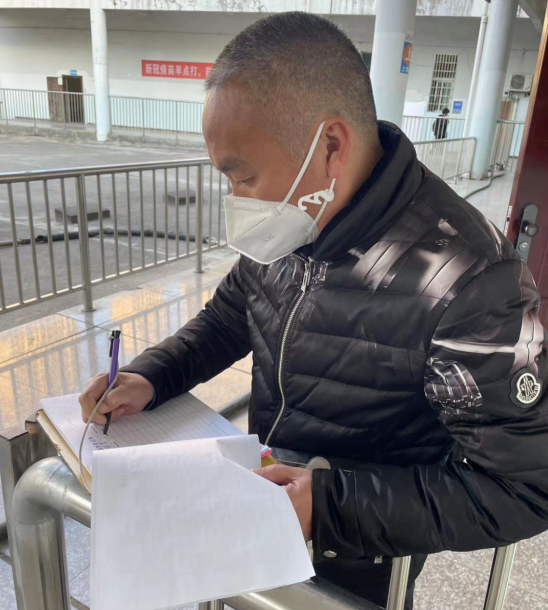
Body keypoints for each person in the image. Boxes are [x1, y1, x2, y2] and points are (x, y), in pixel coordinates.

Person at [79, 12, 548, 610]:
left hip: (357, 561)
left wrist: (328, 507)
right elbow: (230, 316)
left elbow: (522, 486)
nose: (235, 200)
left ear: (330, 145)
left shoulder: (470, 279)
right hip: (262, 507)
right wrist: (153, 374)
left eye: (243, 177)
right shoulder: (295, 219)